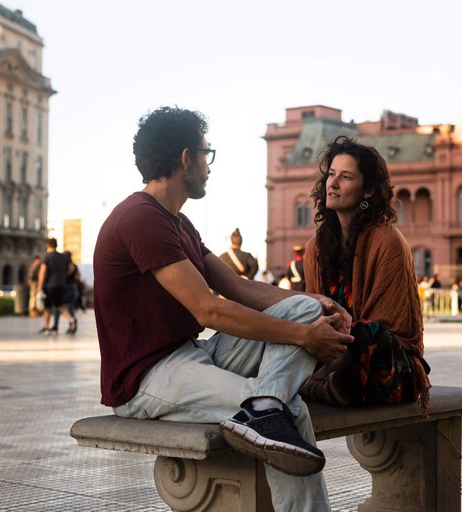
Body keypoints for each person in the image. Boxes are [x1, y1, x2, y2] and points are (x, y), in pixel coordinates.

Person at [93, 107, 353, 511]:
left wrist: (321, 305)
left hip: (190, 357)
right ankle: (267, 407)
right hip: (145, 379)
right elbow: (208, 311)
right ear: (185, 158)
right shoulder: (140, 218)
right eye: (205, 153)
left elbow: (236, 286)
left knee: (301, 307)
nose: (209, 166)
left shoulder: (179, 223)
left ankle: (264, 406)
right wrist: (305, 337)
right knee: (293, 410)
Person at [300, 135, 431, 413]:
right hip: (333, 354)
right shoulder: (316, 248)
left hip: (385, 365)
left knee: (365, 333)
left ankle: (315, 384)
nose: (332, 184)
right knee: (295, 323)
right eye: (331, 174)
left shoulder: (387, 240)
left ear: (368, 191)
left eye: (345, 177)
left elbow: (388, 328)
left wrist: (342, 339)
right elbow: (312, 310)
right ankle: (327, 383)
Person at [37, 238, 77, 335]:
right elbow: (72, 268)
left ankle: (46, 328)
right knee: (59, 305)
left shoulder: (46, 256)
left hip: (49, 285)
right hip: (61, 284)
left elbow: (43, 271)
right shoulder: (63, 257)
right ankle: (71, 319)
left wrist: (39, 286)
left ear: (47, 245)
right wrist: (64, 275)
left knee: (47, 307)